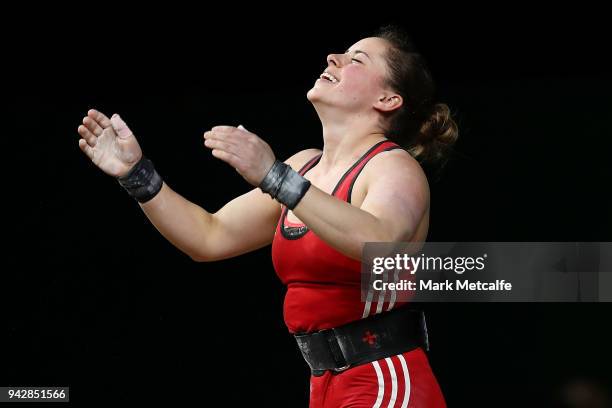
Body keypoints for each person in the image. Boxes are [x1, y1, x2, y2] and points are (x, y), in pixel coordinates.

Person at [77, 25, 457, 407]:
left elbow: (382, 243)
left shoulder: (393, 167)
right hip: (325, 385)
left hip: (385, 380)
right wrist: (137, 175)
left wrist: (275, 177)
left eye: (357, 59)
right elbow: (209, 236)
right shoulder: (303, 168)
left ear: (388, 99)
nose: (333, 58)